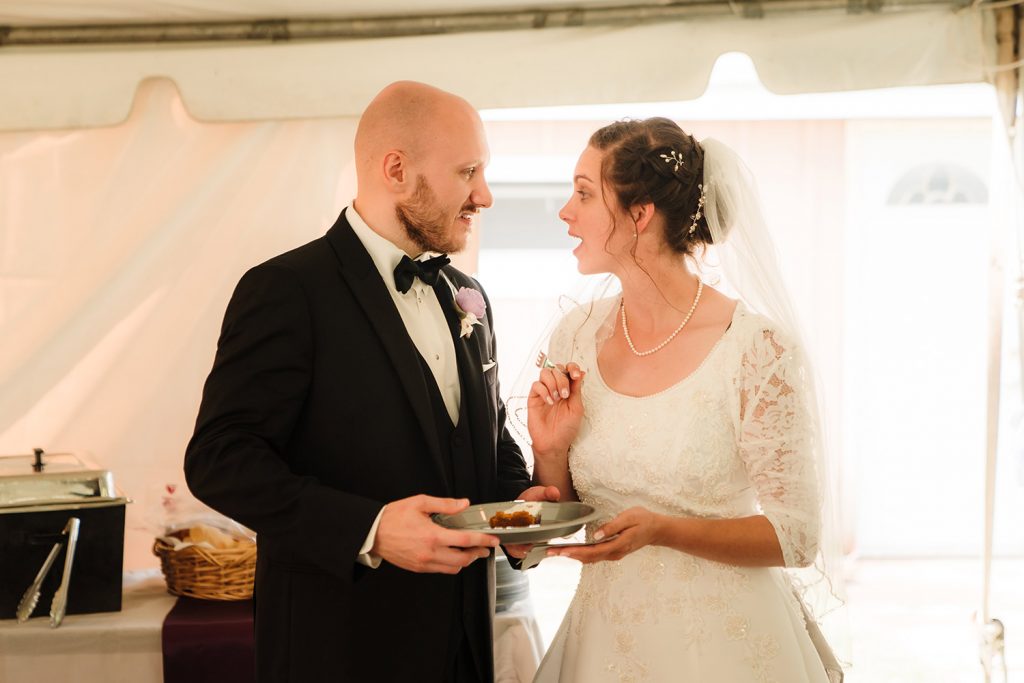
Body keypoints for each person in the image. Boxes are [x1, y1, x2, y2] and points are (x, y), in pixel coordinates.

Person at [184, 81, 554, 683]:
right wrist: (372, 529)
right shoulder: (286, 290)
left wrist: (518, 502)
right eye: (467, 171)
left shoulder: (470, 297)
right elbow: (220, 459)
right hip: (341, 648)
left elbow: (481, 430)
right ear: (396, 169)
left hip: (465, 646)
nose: (483, 195)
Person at [524, 117, 835, 682]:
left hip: (728, 645)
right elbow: (564, 511)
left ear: (639, 214)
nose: (566, 211)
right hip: (605, 639)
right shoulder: (575, 335)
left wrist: (665, 530)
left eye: (584, 193)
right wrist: (550, 448)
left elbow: (796, 536)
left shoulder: (755, 348)